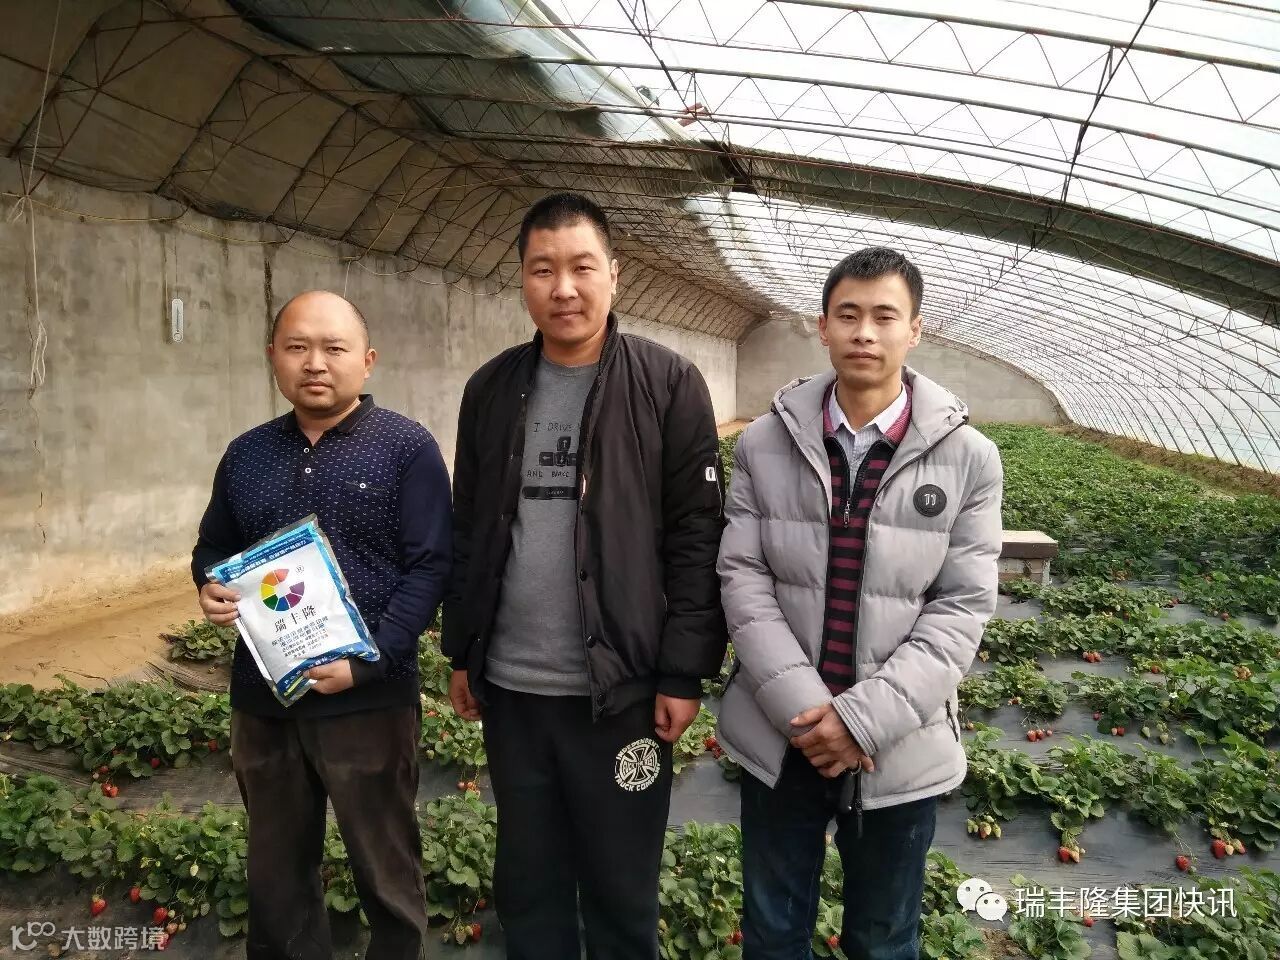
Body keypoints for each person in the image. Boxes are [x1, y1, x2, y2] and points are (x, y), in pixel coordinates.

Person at [441, 192, 727, 959]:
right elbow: (470, 526)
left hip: (621, 694)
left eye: (581, 268)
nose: (563, 288)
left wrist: (682, 672)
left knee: (620, 884)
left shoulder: (668, 384)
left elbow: (698, 537)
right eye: (543, 270)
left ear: (614, 274)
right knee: (528, 881)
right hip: (513, 690)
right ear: (522, 279)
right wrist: (462, 650)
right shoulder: (491, 389)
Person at [715, 247, 1004, 960]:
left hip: (897, 750)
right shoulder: (765, 442)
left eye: (885, 316)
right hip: (782, 738)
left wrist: (860, 722)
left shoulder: (969, 458)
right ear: (822, 326)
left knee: (883, 938)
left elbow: (961, 607)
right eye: (848, 315)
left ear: (915, 329)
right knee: (773, 934)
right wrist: (807, 713)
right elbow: (742, 577)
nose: (865, 333)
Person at [192, 290, 451, 960]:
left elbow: (430, 567)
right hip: (265, 701)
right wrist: (210, 586)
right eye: (298, 347)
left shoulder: (405, 449)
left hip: (369, 701)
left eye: (334, 348)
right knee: (276, 872)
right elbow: (214, 547)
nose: (315, 363)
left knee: (385, 866)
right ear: (273, 356)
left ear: (367, 361)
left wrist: (371, 659)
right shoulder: (246, 454)